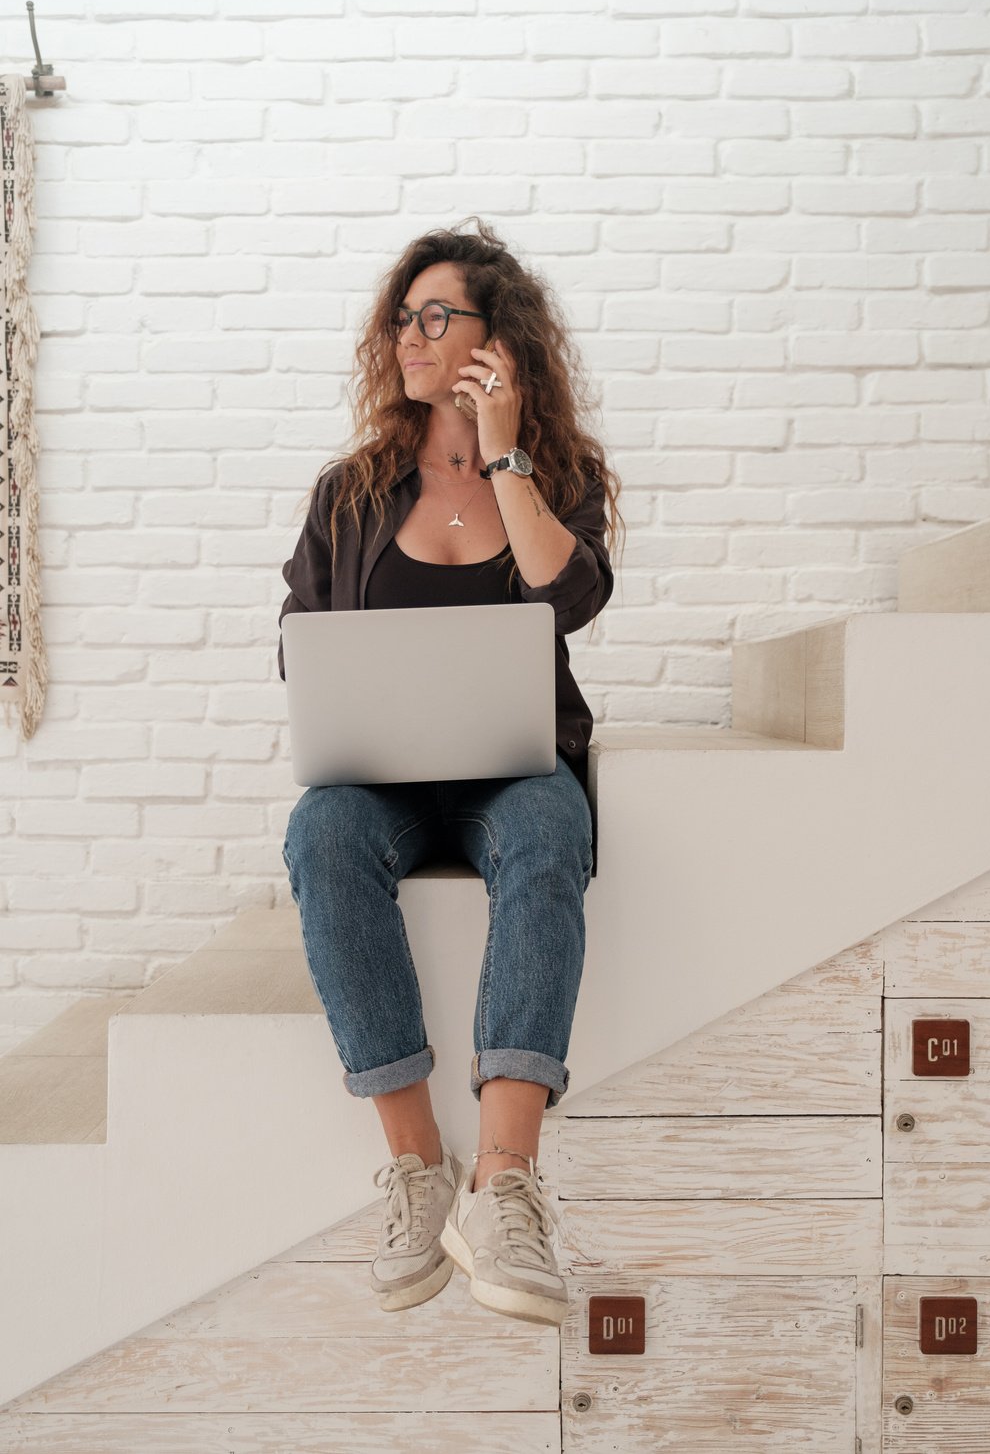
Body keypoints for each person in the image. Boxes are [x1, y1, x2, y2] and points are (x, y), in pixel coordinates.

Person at [278, 217, 624, 1329]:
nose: (410, 333)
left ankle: (506, 1183)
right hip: (378, 778)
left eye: (438, 316)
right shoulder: (354, 488)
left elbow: (566, 598)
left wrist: (507, 445)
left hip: (509, 774)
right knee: (319, 831)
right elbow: (299, 633)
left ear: (495, 341)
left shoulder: (558, 476)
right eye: (404, 315)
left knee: (547, 828)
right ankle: (418, 1165)